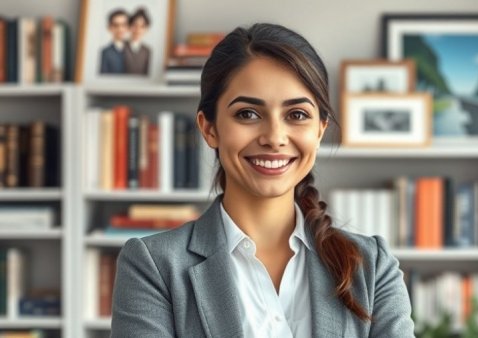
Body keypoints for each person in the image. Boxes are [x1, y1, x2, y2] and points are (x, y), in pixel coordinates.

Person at [110, 23, 415, 338]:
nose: (274, 138)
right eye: (247, 114)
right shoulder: (154, 267)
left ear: (320, 129)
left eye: (297, 114)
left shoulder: (372, 266)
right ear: (209, 128)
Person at [99, 9, 129, 74]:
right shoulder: (105, 53)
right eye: (116, 25)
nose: (120, 29)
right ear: (109, 27)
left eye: (123, 25)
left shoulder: (135, 52)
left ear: (128, 27)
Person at [123, 8, 151, 75]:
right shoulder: (120, 47)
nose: (138, 29)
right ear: (129, 26)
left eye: (142, 26)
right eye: (135, 25)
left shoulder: (147, 51)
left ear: (146, 29)